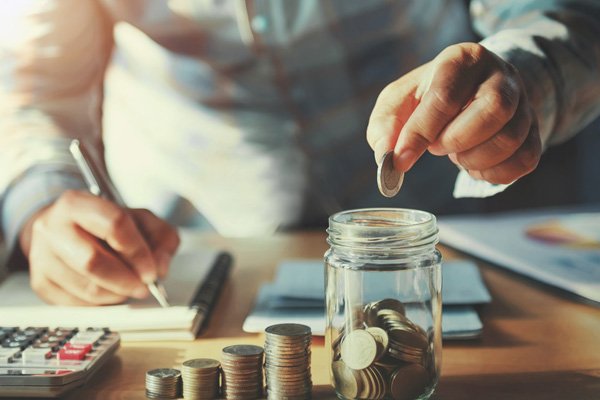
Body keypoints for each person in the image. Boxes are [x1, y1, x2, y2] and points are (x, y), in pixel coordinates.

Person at [0, 1, 599, 305]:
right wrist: (42, 204)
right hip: (190, 253)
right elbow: (36, 84)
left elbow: (562, 14)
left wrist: (522, 80)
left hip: (459, 228)